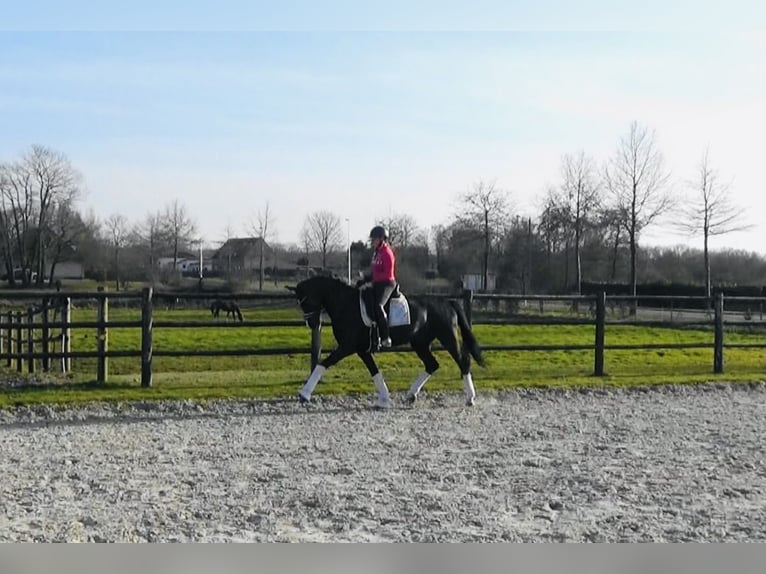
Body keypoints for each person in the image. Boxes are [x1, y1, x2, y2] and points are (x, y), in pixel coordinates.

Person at [357, 225, 396, 348]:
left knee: (379, 306)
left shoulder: (387, 253)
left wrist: (371, 281)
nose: (372, 241)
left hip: (387, 284)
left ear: (381, 239)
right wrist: (364, 278)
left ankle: (385, 337)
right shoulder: (376, 253)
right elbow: (374, 271)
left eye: (374, 239)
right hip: (377, 283)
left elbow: (387, 274)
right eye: (372, 239)